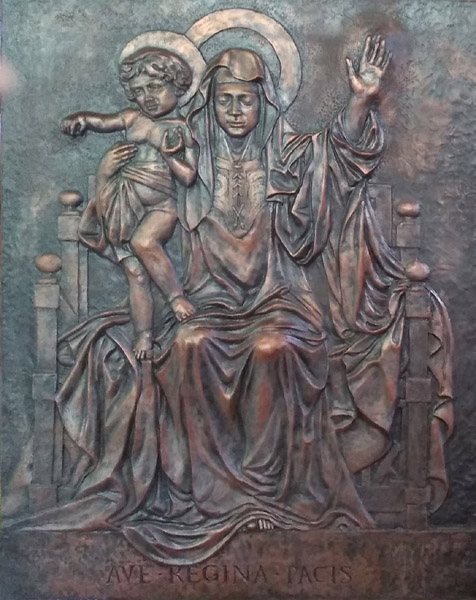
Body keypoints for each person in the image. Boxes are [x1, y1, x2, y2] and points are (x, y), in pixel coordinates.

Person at [13, 37, 453, 566]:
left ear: (264, 101)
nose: (236, 110)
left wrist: (361, 100)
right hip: (208, 300)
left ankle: (264, 494)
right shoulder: (187, 154)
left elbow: (337, 156)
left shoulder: (285, 155)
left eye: (246, 100)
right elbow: (126, 197)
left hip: (280, 299)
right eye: (225, 100)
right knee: (190, 345)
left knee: (273, 349)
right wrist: (109, 174)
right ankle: (211, 495)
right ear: (210, 101)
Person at [61, 48, 198, 359]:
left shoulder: (182, 129)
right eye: (139, 91)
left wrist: (170, 156)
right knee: (135, 274)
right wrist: (82, 119)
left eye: (155, 87)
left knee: (144, 241)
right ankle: (144, 334)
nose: (147, 97)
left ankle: (176, 297)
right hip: (121, 208)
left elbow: (188, 176)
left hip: (160, 208)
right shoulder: (133, 118)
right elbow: (102, 121)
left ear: (177, 86)